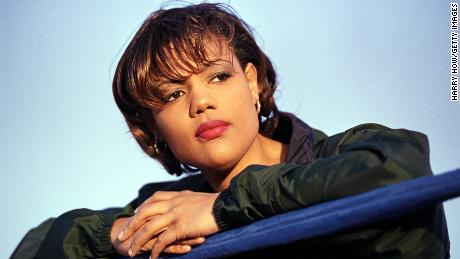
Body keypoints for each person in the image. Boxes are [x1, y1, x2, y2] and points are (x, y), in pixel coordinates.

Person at [12, 3, 450, 259]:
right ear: (153, 131)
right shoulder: (167, 213)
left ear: (254, 83)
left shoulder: (352, 155)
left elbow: (402, 172)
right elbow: (31, 248)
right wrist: (120, 233)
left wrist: (225, 208)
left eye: (217, 76)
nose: (200, 101)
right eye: (171, 95)